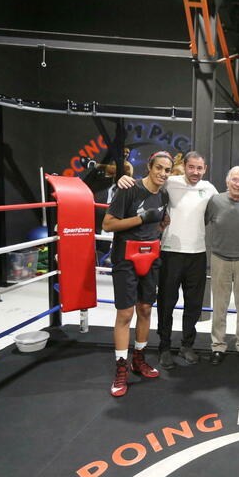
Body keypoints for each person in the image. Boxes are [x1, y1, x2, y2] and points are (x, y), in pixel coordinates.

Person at [118, 151, 217, 369]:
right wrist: (124, 179)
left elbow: (229, 201)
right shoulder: (170, 182)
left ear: (205, 169)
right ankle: (164, 347)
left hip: (198, 254)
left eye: (199, 168)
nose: (195, 172)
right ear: (185, 166)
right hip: (170, 252)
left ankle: (187, 345)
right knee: (166, 304)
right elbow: (146, 184)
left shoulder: (209, 188)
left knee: (193, 304)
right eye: (191, 167)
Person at [102, 151, 172, 397]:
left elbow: (159, 222)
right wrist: (140, 219)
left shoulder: (163, 194)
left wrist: (161, 224)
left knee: (145, 309)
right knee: (125, 313)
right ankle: (121, 367)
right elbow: (108, 224)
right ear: (149, 167)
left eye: (167, 170)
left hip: (150, 256)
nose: (163, 173)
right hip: (126, 257)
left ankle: (138, 359)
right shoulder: (129, 189)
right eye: (159, 168)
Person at [204, 166, 239, 365]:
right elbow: (202, 222)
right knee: (219, 305)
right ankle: (218, 346)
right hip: (220, 258)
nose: (238, 184)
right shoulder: (215, 201)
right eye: (234, 180)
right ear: (227, 182)